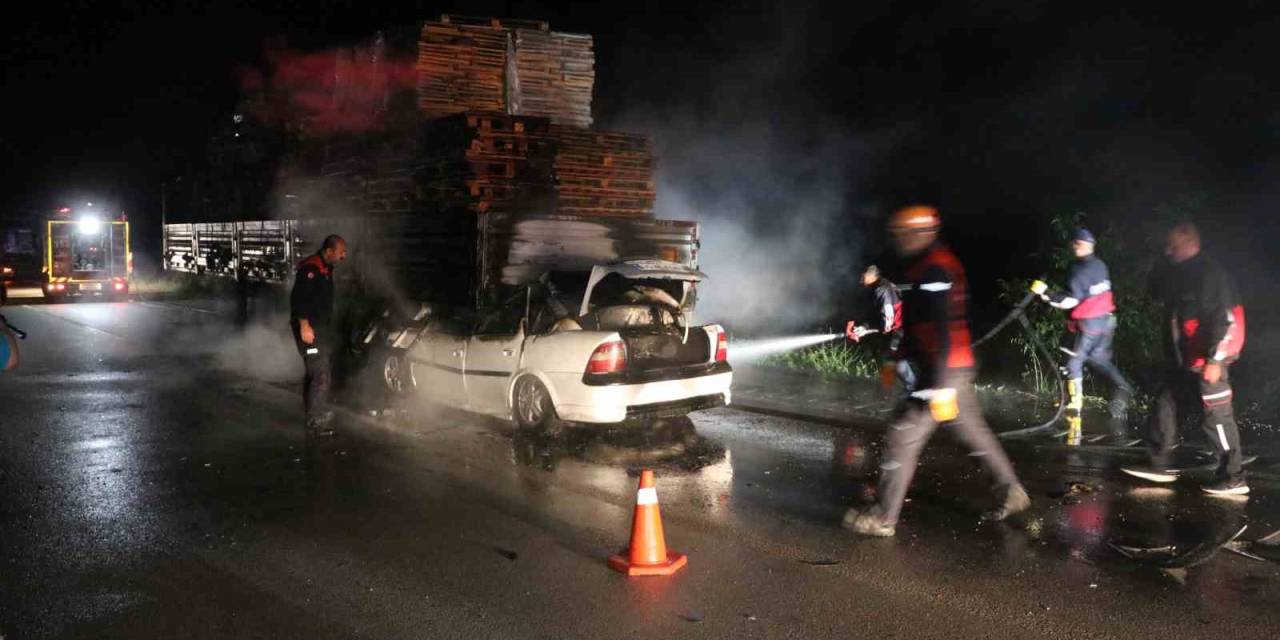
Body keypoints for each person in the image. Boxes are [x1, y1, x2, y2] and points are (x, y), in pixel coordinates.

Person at [845, 205, 1030, 537]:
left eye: (901, 235)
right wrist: (895, 357)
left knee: (903, 436)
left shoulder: (934, 270)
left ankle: (883, 518)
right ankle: (1011, 491)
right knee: (973, 432)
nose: (898, 241)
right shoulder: (926, 268)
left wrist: (940, 384)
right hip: (951, 368)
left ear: (918, 234)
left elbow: (943, 327)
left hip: (944, 370)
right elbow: (918, 325)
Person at [1122, 222, 1248, 496]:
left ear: (1191, 243)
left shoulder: (1211, 274)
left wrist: (1215, 360)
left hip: (1209, 360)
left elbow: (1225, 319)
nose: (1168, 251)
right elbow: (1162, 301)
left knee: (1216, 416)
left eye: (1173, 246)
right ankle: (1158, 464)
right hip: (1186, 360)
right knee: (1165, 403)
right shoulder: (1181, 273)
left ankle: (1234, 476)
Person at [1031, 228, 1134, 445]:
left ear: (1078, 245)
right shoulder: (1100, 265)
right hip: (1106, 323)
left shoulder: (1080, 270)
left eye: (1076, 244)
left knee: (1073, 362)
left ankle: (1074, 409)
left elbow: (1070, 301)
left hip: (1088, 326)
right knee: (1098, 360)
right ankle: (1122, 387)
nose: (1075, 247)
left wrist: (1044, 293)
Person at [290, 235, 348, 436]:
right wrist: (304, 326)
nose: (344, 256)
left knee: (314, 372)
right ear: (329, 251)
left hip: (319, 328)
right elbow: (299, 299)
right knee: (321, 373)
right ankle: (316, 421)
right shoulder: (311, 268)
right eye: (341, 252)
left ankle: (313, 412)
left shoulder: (325, 267)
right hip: (309, 329)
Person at [846, 264, 915, 394]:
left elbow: (886, 323)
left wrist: (865, 330)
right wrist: (863, 326)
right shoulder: (875, 288)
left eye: (863, 275)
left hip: (895, 333)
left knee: (897, 362)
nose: (860, 279)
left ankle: (912, 389)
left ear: (872, 276)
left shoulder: (882, 290)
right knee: (884, 361)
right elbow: (874, 315)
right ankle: (889, 390)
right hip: (888, 332)